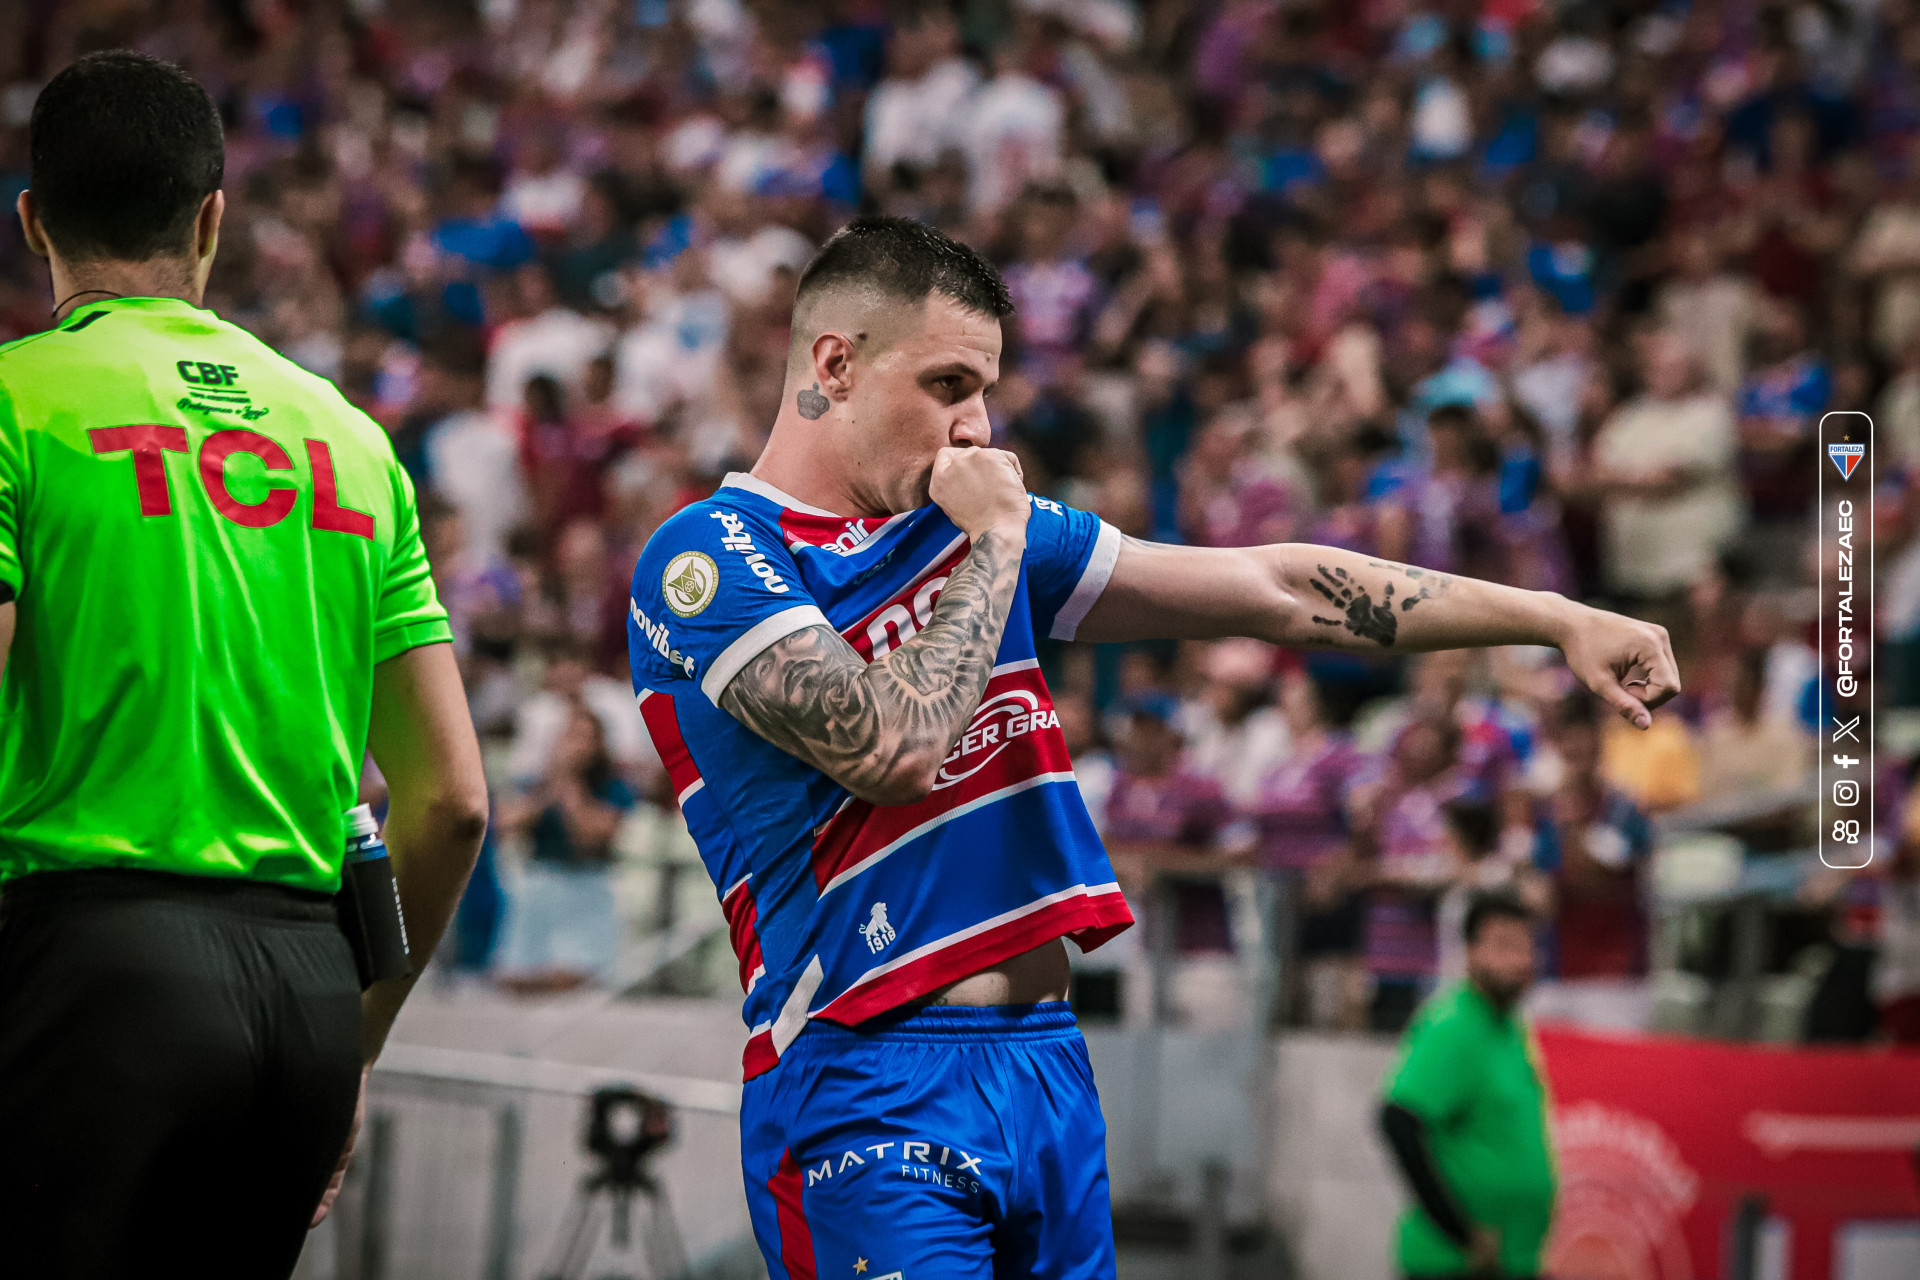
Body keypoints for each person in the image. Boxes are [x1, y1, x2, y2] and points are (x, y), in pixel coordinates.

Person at [625, 215, 1675, 1279]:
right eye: (946, 385)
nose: (977, 425)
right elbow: (890, 745)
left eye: (985, 389)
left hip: (1047, 1071)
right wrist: (996, 537)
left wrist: (1552, 614)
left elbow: (1278, 589)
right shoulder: (708, 557)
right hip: (864, 1081)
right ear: (835, 364)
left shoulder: (964, 526)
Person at [0, 52, 488, 1279]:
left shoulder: (15, 404)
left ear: (32, 222)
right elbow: (454, 801)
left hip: (83, 975)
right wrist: (358, 1038)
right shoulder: (351, 438)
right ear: (213, 218)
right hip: (307, 998)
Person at [1379, 892, 1557, 1280]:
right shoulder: (1454, 1024)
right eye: (1505, 946)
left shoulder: (1508, 1026)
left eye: (1527, 947)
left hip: (1511, 1260)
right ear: (1472, 952)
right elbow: (1398, 1121)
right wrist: (1461, 1231)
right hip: (1456, 1265)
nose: (1520, 961)